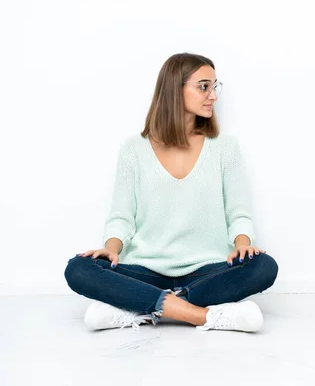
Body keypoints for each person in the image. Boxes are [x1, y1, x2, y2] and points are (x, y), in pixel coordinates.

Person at [64, 53, 278, 332]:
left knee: (263, 266)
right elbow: (122, 216)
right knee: (78, 269)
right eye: (204, 86)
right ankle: (201, 315)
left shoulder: (225, 147)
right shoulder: (134, 149)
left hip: (208, 269)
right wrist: (111, 249)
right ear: (175, 89)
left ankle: (143, 308)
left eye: (215, 87)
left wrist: (242, 244)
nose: (213, 95)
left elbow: (238, 212)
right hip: (146, 269)